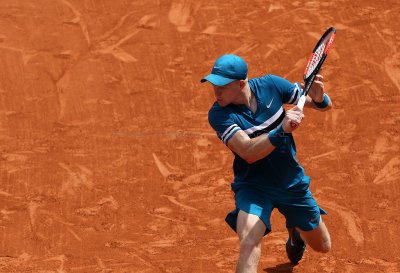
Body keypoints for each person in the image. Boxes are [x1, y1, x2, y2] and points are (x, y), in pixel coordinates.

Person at [201, 54, 332, 272]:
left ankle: (296, 234)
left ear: (241, 84)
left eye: (222, 87)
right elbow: (248, 152)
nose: (216, 92)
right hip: (254, 187)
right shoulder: (219, 114)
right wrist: (281, 130)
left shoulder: (271, 85)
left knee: (323, 246)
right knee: (249, 243)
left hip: (290, 182)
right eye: (214, 85)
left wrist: (319, 99)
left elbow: (322, 105)